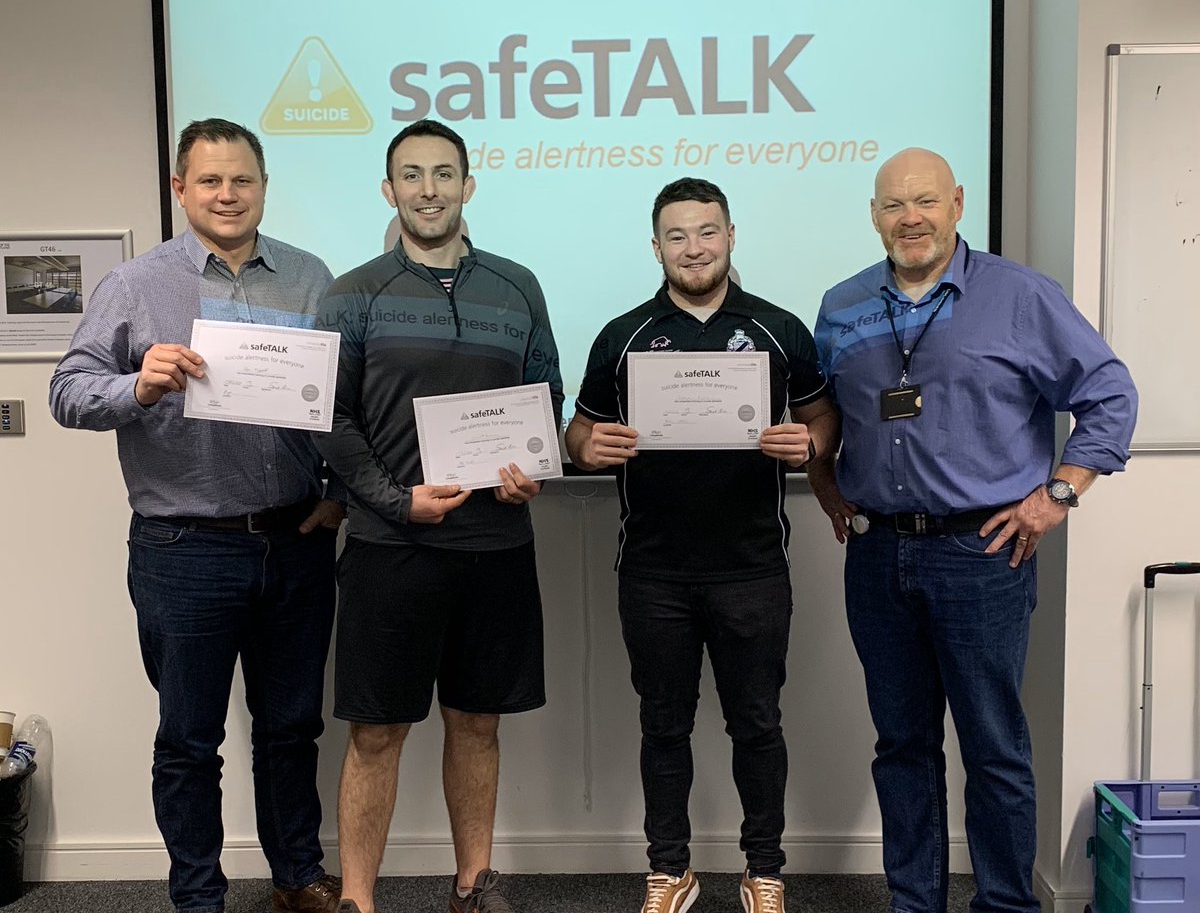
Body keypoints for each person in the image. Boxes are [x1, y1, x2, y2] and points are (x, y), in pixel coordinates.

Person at [807, 148, 1138, 913]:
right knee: (902, 744)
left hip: (982, 552)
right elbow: (822, 409)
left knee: (993, 746)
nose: (911, 218)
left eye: (925, 200)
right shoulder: (842, 304)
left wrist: (1058, 493)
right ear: (873, 215)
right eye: (894, 204)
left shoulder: (1019, 295)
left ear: (957, 203)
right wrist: (824, 480)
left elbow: (1110, 391)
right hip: (878, 550)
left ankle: (1005, 904)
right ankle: (914, 902)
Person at [49, 118, 344, 913]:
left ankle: (297, 875)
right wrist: (136, 385)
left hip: (296, 540)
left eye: (242, 179)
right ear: (180, 189)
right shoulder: (134, 285)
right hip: (183, 548)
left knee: (293, 726)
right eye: (210, 180)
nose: (227, 194)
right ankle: (197, 895)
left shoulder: (311, 278)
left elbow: (345, 401)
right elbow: (67, 392)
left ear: (264, 186)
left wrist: (341, 493)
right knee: (189, 739)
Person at [566, 177, 839, 913]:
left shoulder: (779, 328)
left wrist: (809, 443)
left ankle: (764, 871)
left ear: (731, 236)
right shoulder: (622, 335)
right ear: (656, 246)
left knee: (758, 725)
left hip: (753, 567)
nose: (694, 248)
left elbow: (823, 418)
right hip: (652, 570)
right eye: (678, 235)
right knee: (663, 726)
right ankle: (670, 870)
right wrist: (588, 448)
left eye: (707, 231)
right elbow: (578, 431)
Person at [315, 119, 563, 913]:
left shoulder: (518, 286)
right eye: (413, 175)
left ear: (468, 185)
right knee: (376, 731)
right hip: (391, 545)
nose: (429, 190)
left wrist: (532, 472)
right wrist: (398, 500)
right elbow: (328, 418)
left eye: (444, 173)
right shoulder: (353, 292)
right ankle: (358, 899)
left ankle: (472, 885)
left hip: (496, 544)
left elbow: (545, 395)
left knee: (478, 722)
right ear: (389, 190)